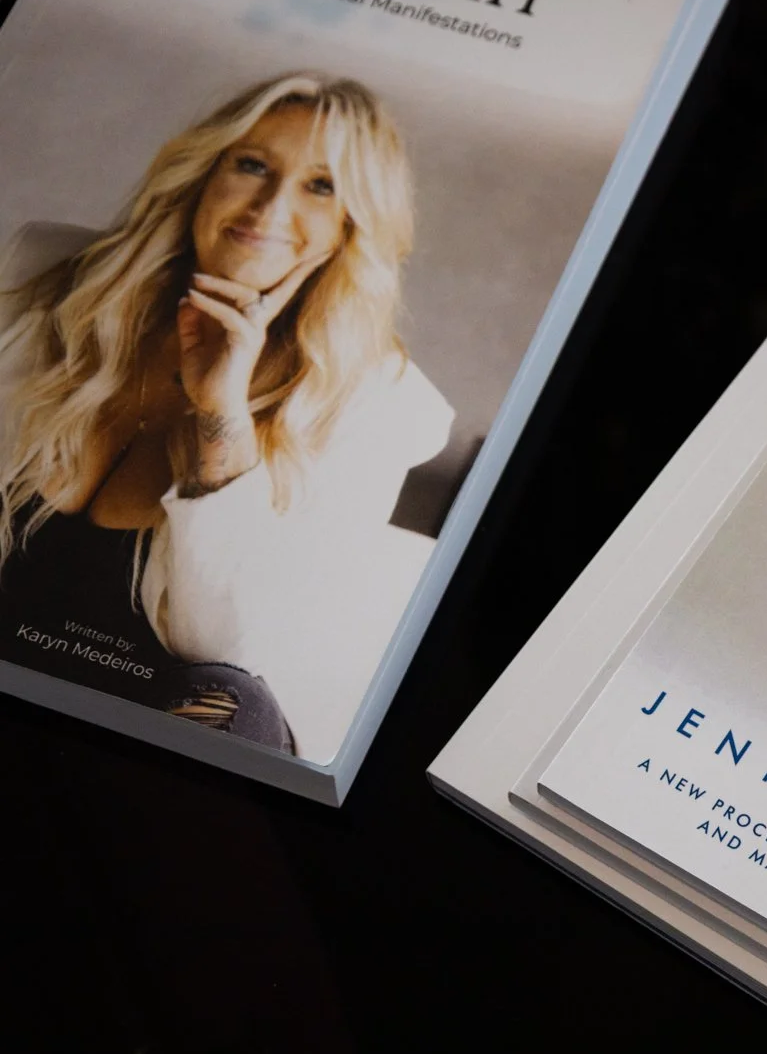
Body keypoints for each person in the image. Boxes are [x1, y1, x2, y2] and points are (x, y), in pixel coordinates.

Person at [0, 73, 452, 761]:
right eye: (253, 165)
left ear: (350, 226)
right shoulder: (54, 276)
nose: (270, 208)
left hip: (155, 732)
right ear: (206, 173)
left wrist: (222, 413)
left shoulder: (378, 402)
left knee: (230, 701)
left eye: (320, 186)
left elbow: (230, 648)